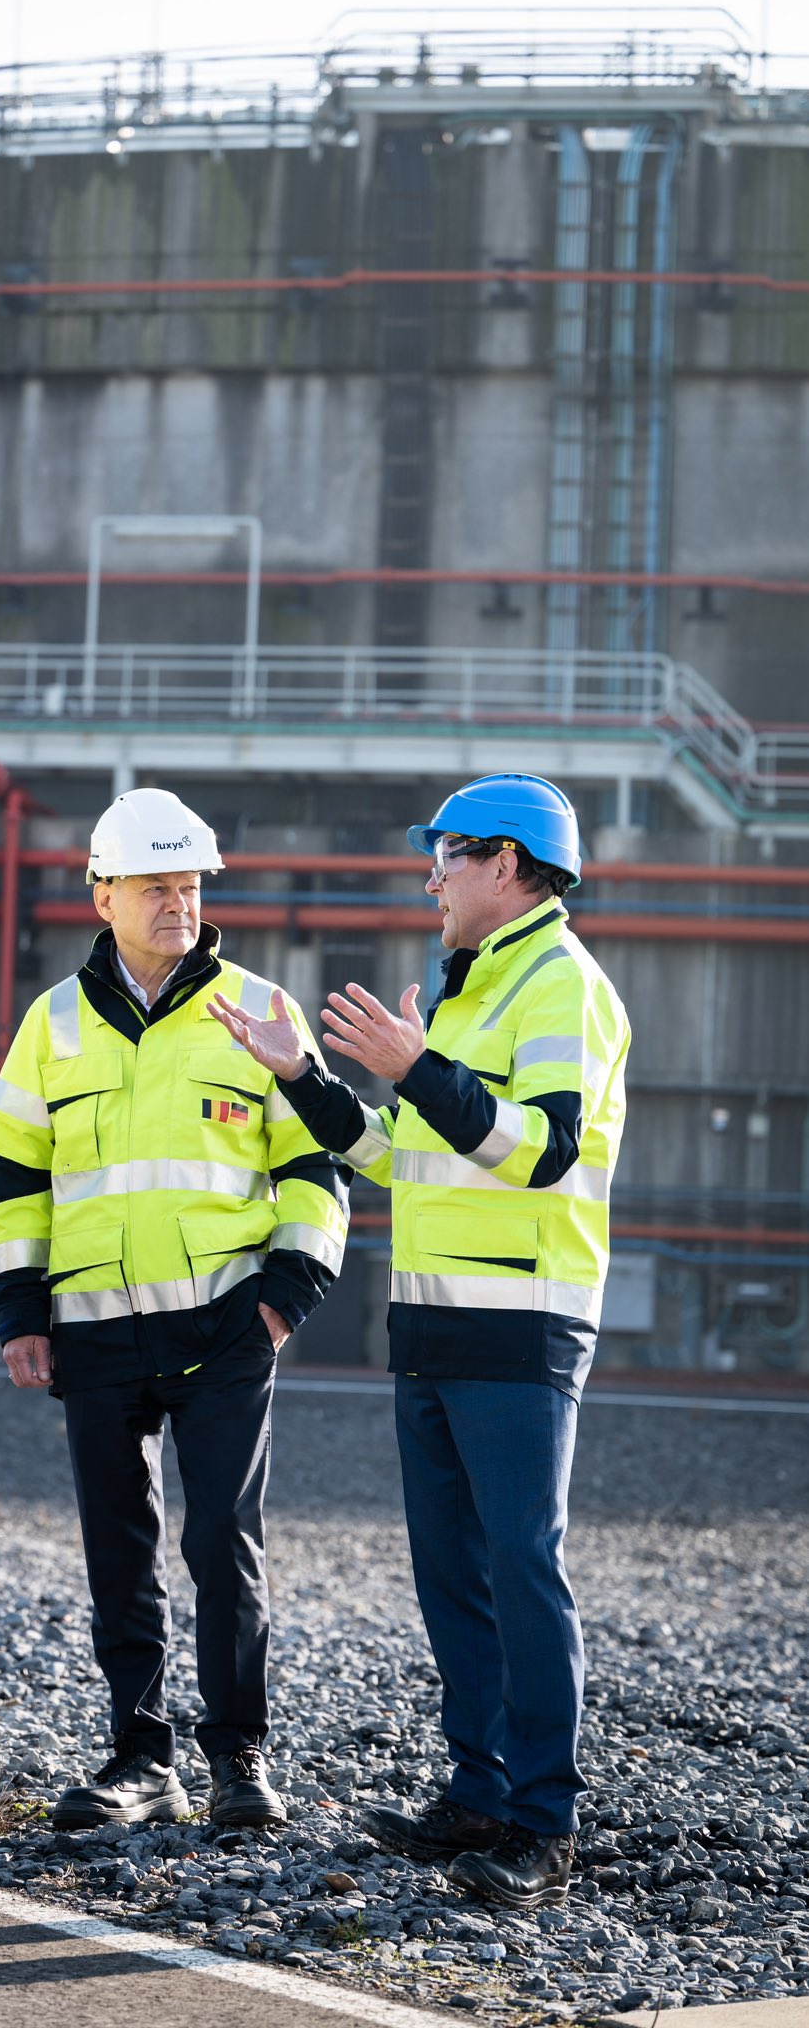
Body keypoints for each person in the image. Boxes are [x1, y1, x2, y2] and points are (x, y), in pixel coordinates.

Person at [209, 774, 629, 1909]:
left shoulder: (562, 984)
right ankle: (480, 1793)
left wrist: (417, 1068)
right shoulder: (468, 990)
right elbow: (395, 1154)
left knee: (522, 1567)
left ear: (507, 862)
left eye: (446, 854)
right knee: (453, 1571)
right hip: (435, 1322)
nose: (431, 876)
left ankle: (544, 1822)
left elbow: (541, 1149)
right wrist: (303, 1077)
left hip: (523, 1319)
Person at [0, 789, 350, 1832]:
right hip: (94, 1329)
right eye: (156, 887)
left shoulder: (259, 1009)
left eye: (190, 885)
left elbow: (316, 1166)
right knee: (119, 1548)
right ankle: (141, 1760)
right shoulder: (51, 1023)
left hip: (226, 1324)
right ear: (103, 895)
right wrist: (20, 1309)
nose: (179, 903)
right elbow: (14, 1174)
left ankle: (239, 1758)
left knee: (223, 1541)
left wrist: (285, 1297)